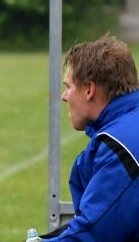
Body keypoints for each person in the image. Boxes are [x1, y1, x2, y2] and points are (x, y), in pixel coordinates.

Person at [40, 35, 139, 241]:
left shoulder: (122, 145)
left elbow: (93, 234)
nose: (64, 96)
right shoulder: (129, 125)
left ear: (89, 90)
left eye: (68, 86)